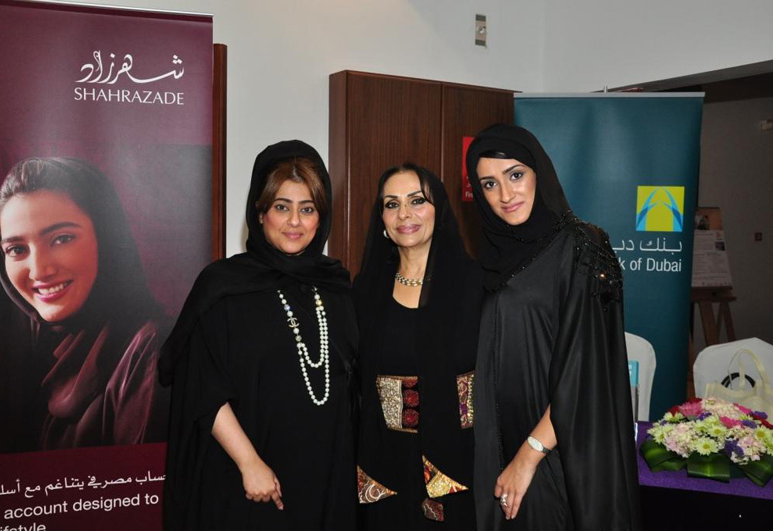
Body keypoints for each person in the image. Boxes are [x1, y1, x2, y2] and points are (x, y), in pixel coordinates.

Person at [159, 140, 357, 530]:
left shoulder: (336, 286)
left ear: (322, 217)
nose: (294, 222)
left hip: (325, 475)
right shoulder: (223, 287)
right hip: (249, 478)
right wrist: (249, 462)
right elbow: (201, 385)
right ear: (260, 212)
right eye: (282, 207)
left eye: (307, 209)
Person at [464, 124, 642, 530]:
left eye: (515, 175)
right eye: (489, 184)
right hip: (503, 445)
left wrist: (528, 456)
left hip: (558, 452)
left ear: (539, 172)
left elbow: (586, 372)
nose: (505, 195)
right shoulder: (493, 256)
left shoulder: (581, 246)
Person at [0, 157, 168, 452]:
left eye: (62, 239)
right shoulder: (38, 348)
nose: (39, 270)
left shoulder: (150, 349)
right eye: (17, 249)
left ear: (106, 240)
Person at [353, 163, 482, 529]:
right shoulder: (365, 290)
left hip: (460, 460)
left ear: (439, 210)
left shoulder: (476, 285)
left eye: (417, 201)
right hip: (384, 465)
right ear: (381, 218)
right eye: (392, 204)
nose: (404, 214)